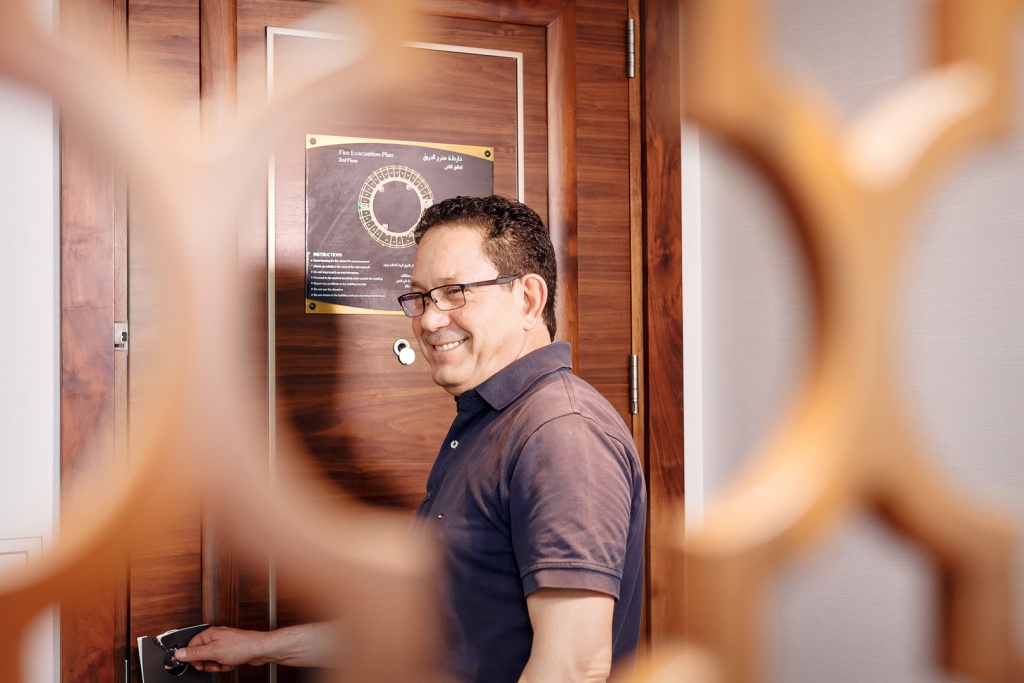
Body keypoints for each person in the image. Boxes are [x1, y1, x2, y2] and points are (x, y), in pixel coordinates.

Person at [173, 195, 647, 682]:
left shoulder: (562, 434)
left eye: (455, 292)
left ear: (528, 300)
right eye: (420, 297)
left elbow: (573, 668)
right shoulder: (489, 423)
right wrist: (260, 648)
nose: (429, 320)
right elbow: (438, 630)